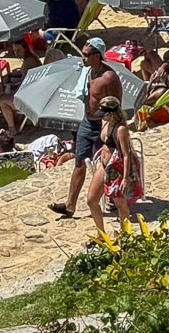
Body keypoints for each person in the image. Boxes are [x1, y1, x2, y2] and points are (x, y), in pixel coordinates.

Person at [48, 40, 122, 218]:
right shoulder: (87, 73)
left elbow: (116, 104)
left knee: (107, 164)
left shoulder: (109, 78)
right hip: (87, 122)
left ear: (97, 55)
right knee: (79, 162)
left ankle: (114, 198)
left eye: (87, 54)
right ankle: (70, 205)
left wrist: (110, 126)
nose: (83, 57)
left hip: (102, 124)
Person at [87, 97, 141, 235]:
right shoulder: (106, 122)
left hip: (116, 169)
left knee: (121, 205)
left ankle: (125, 234)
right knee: (91, 200)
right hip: (104, 165)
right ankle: (101, 233)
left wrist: (125, 178)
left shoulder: (121, 129)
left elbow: (126, 154)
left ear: (111, 114)